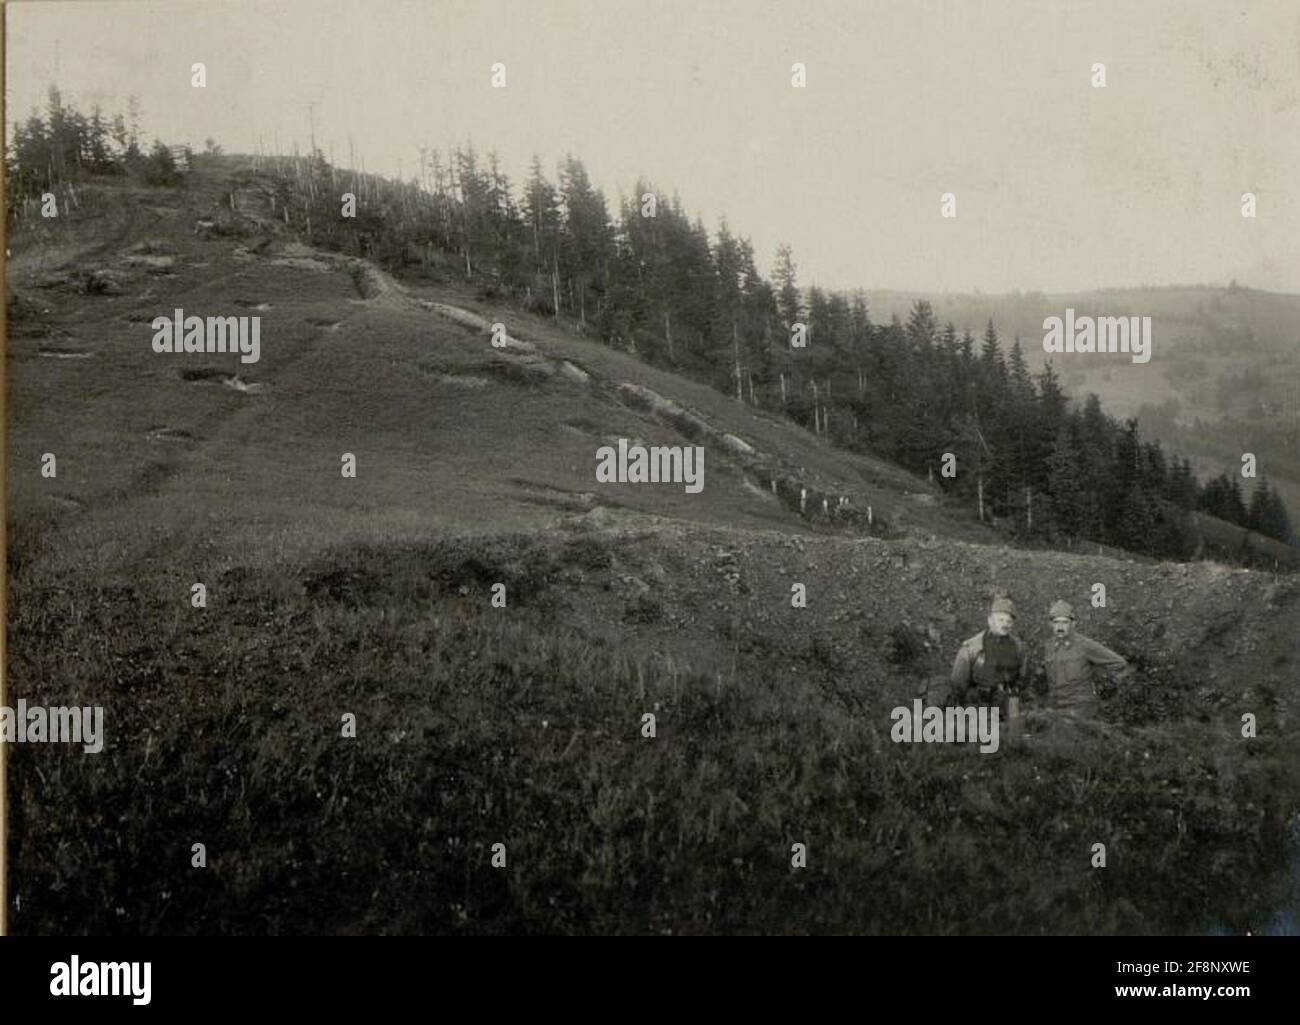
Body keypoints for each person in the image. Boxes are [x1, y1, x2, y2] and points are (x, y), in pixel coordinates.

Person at [1040, 600, 1130, 717]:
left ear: (1073, 623)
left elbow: (1119, 663)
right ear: (1051, 624)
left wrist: (1100, 682)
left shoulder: (1084, 645)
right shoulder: (1049, 646)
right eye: (1056, 622)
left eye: (1065, 622)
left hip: (1081, 707)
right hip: (1057, 706)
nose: (1060, 627)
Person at [949, 597, 1029, 716]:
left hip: (1006, 705)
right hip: (977, 706)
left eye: (1009, 621)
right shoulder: (972, 648)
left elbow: (1023, 678)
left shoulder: (1019, 648)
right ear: (990, 620)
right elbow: (958, 683)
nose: (1005, 624)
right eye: (1000, 620)